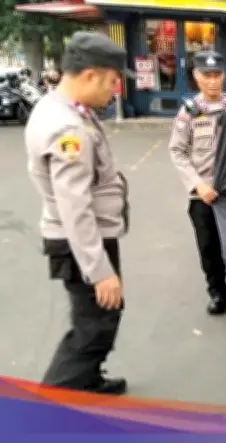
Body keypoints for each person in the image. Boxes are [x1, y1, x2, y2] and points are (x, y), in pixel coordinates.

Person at [24, 31, 133, 395]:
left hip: (86, 238)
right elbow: (75, 206)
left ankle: (87, 381)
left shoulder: (64, 109)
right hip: (84, 242)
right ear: (89, 75)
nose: (115, 90)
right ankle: (48, 410)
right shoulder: (67, 127)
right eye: (112, 81)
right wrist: (99, 271)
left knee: (97, 317)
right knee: (95, 327)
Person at [167, 50, 226, 316]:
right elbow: (177, 151)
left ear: (224, 76)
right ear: (196, 76)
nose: (212, 81)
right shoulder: (189, 112)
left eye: (217, 75)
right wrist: (198, 185)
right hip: (203, 195)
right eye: (207, 76)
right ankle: (217, 293)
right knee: (209, 248)